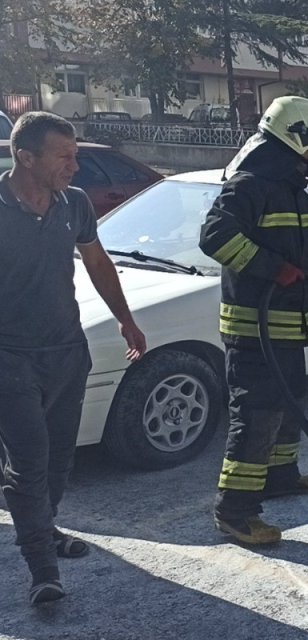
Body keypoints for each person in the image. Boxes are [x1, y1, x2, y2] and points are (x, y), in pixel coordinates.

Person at [200, 96, 308, 546]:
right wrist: (273, 269)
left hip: (289, 327)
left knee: (289, 403)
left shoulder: (295, 194)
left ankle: (280, 475)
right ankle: (235, 512)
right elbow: (214, 237)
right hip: (255, 330)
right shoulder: (248, 186)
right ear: (298, 141)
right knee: (257, 415)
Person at [0, 112, 147, 605]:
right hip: (9, 356)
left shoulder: (75, 203)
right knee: (29, 461)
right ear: (26, 157)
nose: (75, 165)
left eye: (76, 153)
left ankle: (45, 526)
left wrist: (126, 319)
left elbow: (98, 261)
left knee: (62, 458)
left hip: (66, 350)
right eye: (64, 156)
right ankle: (43, 568)